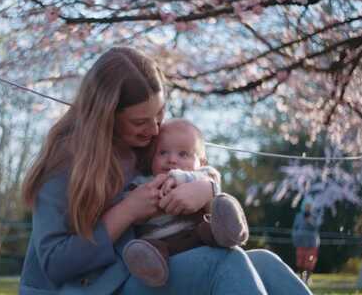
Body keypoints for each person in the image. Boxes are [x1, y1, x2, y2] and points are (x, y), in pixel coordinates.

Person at [19, 46, 313, 295]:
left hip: (142, 268)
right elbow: (54, 263)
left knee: (265, 262)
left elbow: (192, 161)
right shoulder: (64, 164)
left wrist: (207, 186)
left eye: (159, 114)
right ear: (107, 116)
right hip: (89, 286)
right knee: (223, 263)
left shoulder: (144, 145)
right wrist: (128, 212)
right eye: (140, 121)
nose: (156, 128)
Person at [122, 118, 249, 287]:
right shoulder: (144, 182)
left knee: (212, 227)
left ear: (201, 162)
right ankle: (149, 266)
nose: (172, 160)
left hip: (198, 236)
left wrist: (181, 178)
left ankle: (229, 232)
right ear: (151, 158)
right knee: (148, 249)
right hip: (163, 246)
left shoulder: (199, 177)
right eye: (163, 153)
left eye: (183, 154)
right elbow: (129, 201)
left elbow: (212, 177)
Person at [292, 197, 322, 285]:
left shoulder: (315, 216)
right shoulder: (298, 216)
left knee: (310, 262)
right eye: (306, 206)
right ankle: (301, 278)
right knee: (300, 262)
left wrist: (310, 221)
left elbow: (317, 226)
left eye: (309, 206)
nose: (308, 207)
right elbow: (295, 228)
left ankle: (308, 278)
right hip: (300, 242)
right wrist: (295, 236)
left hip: (312, 243)